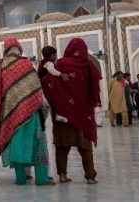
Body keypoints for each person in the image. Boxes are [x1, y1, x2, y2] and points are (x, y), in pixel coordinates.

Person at [0, 37, 54, 187]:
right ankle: (42, 178)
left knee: (18, 143)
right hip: (31, 111)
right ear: (18, 48)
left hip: (12, 114)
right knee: (37, 142)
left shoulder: (1, 65)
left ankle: (21, 178)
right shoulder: (25, 63)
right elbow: (36, 87)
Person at [41, 37, 101, 184]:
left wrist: (61, 102)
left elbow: (47, 81)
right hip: (84, 115)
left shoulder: (61, 63)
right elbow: (95, 88)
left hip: (64, 115)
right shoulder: (89, 65)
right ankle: (90, 177)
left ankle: (62, 175)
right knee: (85, 148)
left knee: (62, 147)